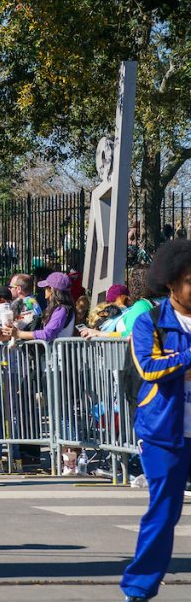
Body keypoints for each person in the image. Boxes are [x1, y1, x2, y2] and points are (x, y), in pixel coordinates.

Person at [120, 239, 191, 602]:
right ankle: (139, 587)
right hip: (164, 433)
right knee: (163, 515)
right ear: (171, 283)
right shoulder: (150, 321)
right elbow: (148, 368)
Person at [6, 272, 76, 342]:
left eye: (45, 288)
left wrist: (19, 333)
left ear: (51, 289)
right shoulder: (61, 308)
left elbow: (47, 334)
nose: (44, 291)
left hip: (56, 352)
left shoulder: (61, 310)